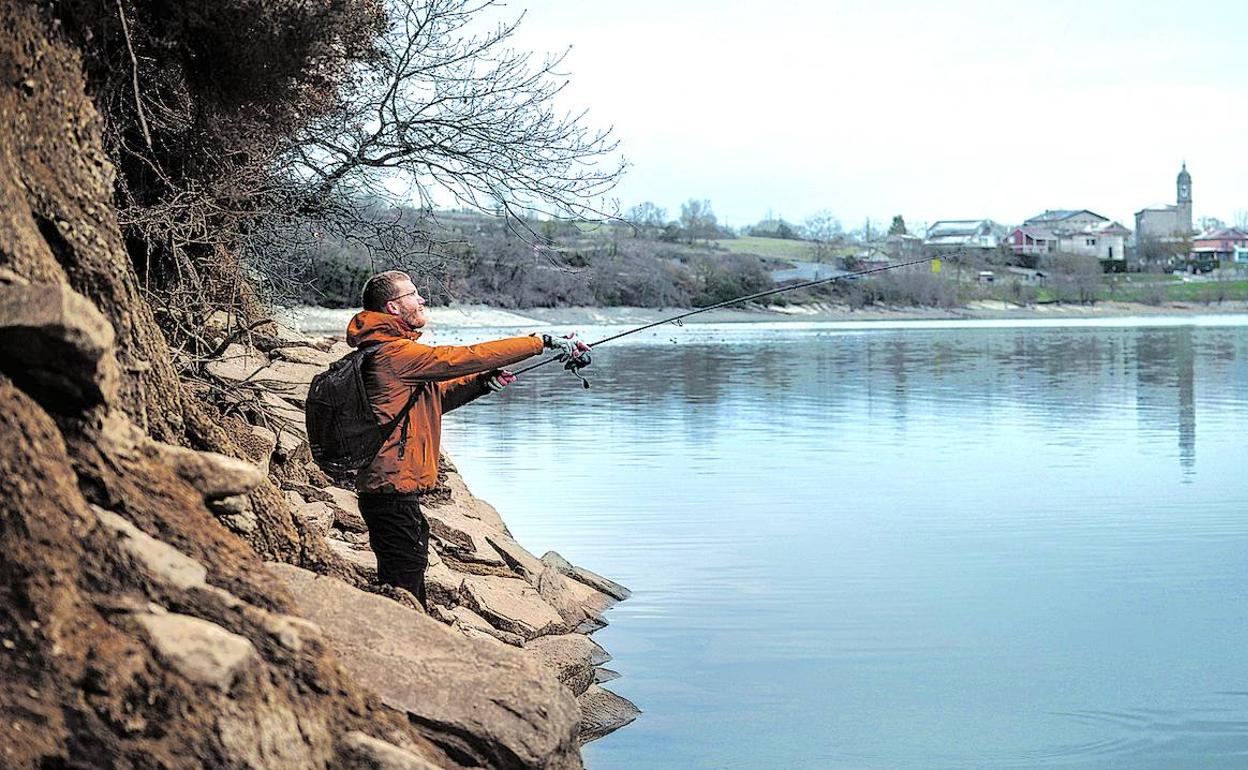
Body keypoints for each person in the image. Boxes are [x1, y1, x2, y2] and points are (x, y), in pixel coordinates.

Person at [346, 270, 588, 608]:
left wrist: (480, 384)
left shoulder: (392, 352)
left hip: (392, 488)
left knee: (408, 568)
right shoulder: (393, 354)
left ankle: (413, 634)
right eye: (413, 294)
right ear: (394, 308)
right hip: (389, 489)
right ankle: (405, 643)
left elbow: (432, 401)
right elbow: (465, 356)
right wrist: (540, 342)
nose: (422, 299)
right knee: (403, 579)